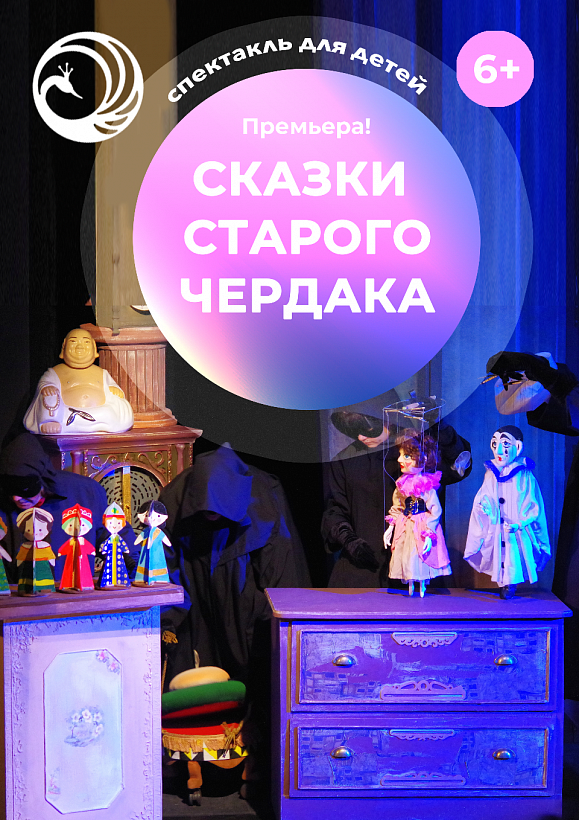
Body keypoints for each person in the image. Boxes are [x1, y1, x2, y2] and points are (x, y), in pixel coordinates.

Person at [322, 411, 471, 588]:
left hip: (417, 563)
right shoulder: (346, 459)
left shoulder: (415, 448)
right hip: (367, 568)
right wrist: (349, 540)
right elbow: (335, 509)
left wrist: (438, 425)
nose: (361, 437)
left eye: (366, 429)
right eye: (354, 431)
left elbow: (457, 465)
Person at [0, 432, 107, 584]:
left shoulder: (86, 493)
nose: (16, 498)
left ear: (42, 480)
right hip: (17, 594)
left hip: (74, 592)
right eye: (10, 491)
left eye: (23, 490)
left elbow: (114, 536)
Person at [463, 425, 550, 599]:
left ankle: (511, 585)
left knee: (513, 555)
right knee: (499, 553)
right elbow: (485, 494)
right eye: (495, 444)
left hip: (515, 527)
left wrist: (520, 523)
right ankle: (504, 583)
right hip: (497, 525)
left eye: (505, 444)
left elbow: (533, 505)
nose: (499, 450)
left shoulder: (524, 475)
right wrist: (484, 507)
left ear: (517, 446)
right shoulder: (491, 473)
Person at [23, 327, 133, 434]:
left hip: (98, 412)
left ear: (94, 347)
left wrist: (114, 389)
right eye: (73, 342)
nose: (80, 347)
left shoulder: (102, 372)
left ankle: (80, 424)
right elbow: (45, 384)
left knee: (111, 411)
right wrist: (47, 387)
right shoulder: (55, 372)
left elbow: (112, 386)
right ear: (64, 347)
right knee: (49, 395)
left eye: (86, 342)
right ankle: (51, 421)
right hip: (66, 412)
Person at [384, 431, 451, 597]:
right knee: (406, 554)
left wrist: (429, 530)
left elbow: (435, 509)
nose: (400, 460)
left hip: (421, 524)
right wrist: (391, 527)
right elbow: (398, 506)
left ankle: (421, 584)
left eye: (406, 456)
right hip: (405, 524)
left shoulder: (426, 485)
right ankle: (411, 585)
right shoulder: (401, 484)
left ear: (423, 459)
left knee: (418, 553)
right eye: (400, 455)